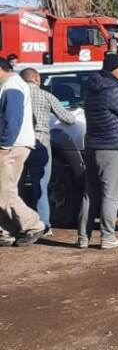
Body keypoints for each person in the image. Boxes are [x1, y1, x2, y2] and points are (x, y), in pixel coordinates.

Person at [76, 53, 118, 249]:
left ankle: (83, 237)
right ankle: (108, 237)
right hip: (112, 147)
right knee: (111, 194)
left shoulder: (91, 88)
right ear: (113, 70)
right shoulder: (111, 90)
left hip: (92, 145)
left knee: (90, 194)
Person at [19, 67, 76, 237]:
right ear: (37, 79)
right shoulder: (46, 95)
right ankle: (44, 225)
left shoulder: (16, 95)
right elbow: (68, 119)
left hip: (19, 145)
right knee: (41, 186)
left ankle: (20, 224)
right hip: (41, 143)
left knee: (16, 187)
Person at [0, 56, 44, 247]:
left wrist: (4, 144)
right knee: (5, 190)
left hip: (12, 145)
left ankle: (33, 224)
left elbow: (13, 118)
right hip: (16, 144)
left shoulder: (11, 86)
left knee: (4, 191)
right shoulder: (13, 84)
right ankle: (7, 231)